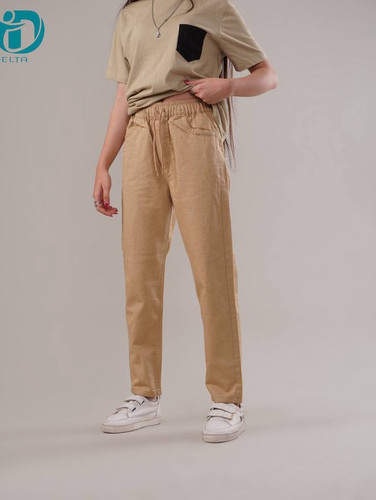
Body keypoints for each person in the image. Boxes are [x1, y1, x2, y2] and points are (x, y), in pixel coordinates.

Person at [93, 0, 277, 443]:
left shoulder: (213, 7)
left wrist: (226, 87)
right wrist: (103, 164)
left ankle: (227, 399)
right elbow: (122, 98)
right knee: (139, 273)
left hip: (193, 129)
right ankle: (144, 395)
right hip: (140, 136)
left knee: (212, 270)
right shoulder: (130, 16)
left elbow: (267, 75)